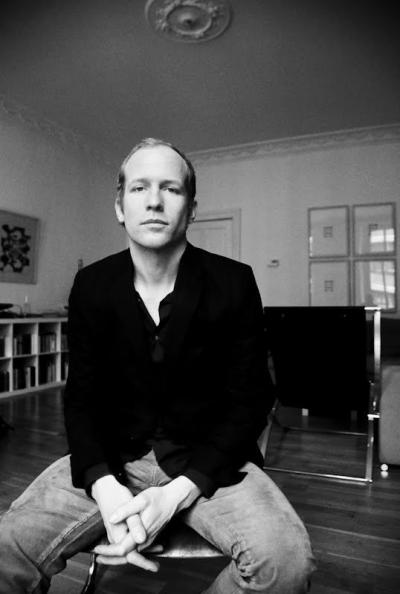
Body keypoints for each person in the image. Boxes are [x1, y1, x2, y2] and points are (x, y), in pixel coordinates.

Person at [0, 138, 315, 593]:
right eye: (139, 188)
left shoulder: (234, 281)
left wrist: (177, 493)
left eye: (170, 188)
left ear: (191, 209)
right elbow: (82, 397)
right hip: (111, 458)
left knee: (285, 564)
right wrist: (104, 487)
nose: (153, 201)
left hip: (209, 461)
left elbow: (251, 400)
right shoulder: (91, 285)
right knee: (7, 546)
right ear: (120, 206)